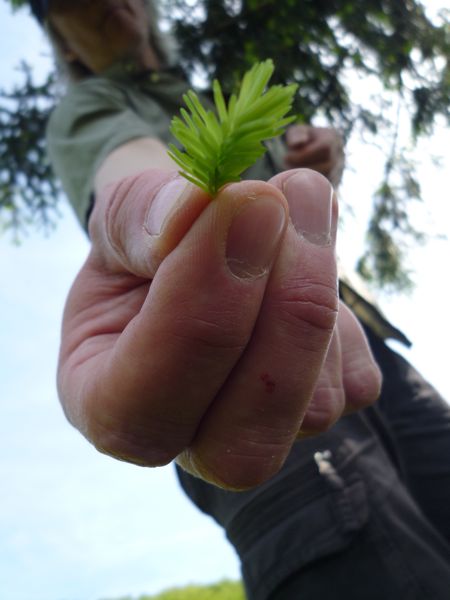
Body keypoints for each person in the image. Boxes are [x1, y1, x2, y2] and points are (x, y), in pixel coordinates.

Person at [29, 1, 450, 599]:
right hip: (238, 365)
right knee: (362, 558)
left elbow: (304, 209)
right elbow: (127, 173)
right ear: (63, 42)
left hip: (357, 335)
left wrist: (317, 160)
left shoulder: (210, 96)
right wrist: (161, 205)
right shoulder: (88, 107)